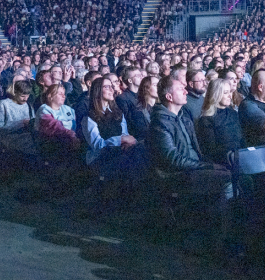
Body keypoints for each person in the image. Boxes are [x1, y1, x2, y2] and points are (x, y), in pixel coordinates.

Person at [148, 75, 231, 214]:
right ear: (169, 97)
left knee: (232, 171)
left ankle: (216, 221)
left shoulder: (183, 118)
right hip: (176, 174)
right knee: (227, 177)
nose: (186, 91)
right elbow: (172, 159)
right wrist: (206, 166)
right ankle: (220, 226)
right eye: (181, 89)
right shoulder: (160, 123)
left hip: (193, 167)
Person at [81, 76, 145, 181]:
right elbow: (98, 145)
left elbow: (125, 133)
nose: (112, 90)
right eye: (107, 87)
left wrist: (126, 141)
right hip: (99, 158)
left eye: (111, 86)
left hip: (119, 152)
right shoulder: (89, 117)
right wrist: (121, 140)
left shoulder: (118, 113)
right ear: (98, 91)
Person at [195, 77, 244, 165]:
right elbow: (210, 151)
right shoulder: (206, 120)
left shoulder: (233, 113)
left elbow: (242, 138)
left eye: (230, 92)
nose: (230, 96)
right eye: (225, 93)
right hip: (224, 163)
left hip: (241, 157)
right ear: (216, 94)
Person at [0, 80, 38, 160]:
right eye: (22, 96)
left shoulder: (28, 106)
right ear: (15, 92)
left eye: (27, 96)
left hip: (28, 139)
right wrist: (20, 123)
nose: (25, 99)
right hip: (10, 140)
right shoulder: (4, 104)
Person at [36, 83, 80, 159]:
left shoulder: (68, 109)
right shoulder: (44, 109)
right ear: (50, 96)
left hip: (71, 144)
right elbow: (54, 126)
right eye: (60, 94)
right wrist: (71, 135)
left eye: (64, 94)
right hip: (51, 147)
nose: (64, 96)